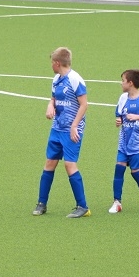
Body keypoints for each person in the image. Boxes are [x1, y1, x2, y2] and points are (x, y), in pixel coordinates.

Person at [32, 47, 90, 218]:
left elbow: (84, 105)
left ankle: (83, 206)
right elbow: (53, 98)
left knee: (69, 164)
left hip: (72, 130)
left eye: (52, 62)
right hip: (57, 128)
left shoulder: (75, 79)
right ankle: (41, 203)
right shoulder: (56, 79)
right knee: (50, 162)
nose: (51, 65)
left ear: (57, 63)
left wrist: (74, 126)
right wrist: (50, 106)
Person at [109, 69, 139, 214]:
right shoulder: (123, 98)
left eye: (123, 80)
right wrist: (118, 121)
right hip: (124, 142)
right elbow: (119, 115)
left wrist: (138, 117)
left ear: (130, 83)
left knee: (135, 172)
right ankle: (117, 202)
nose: (121, 83)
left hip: (138, 143)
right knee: (119, 168)